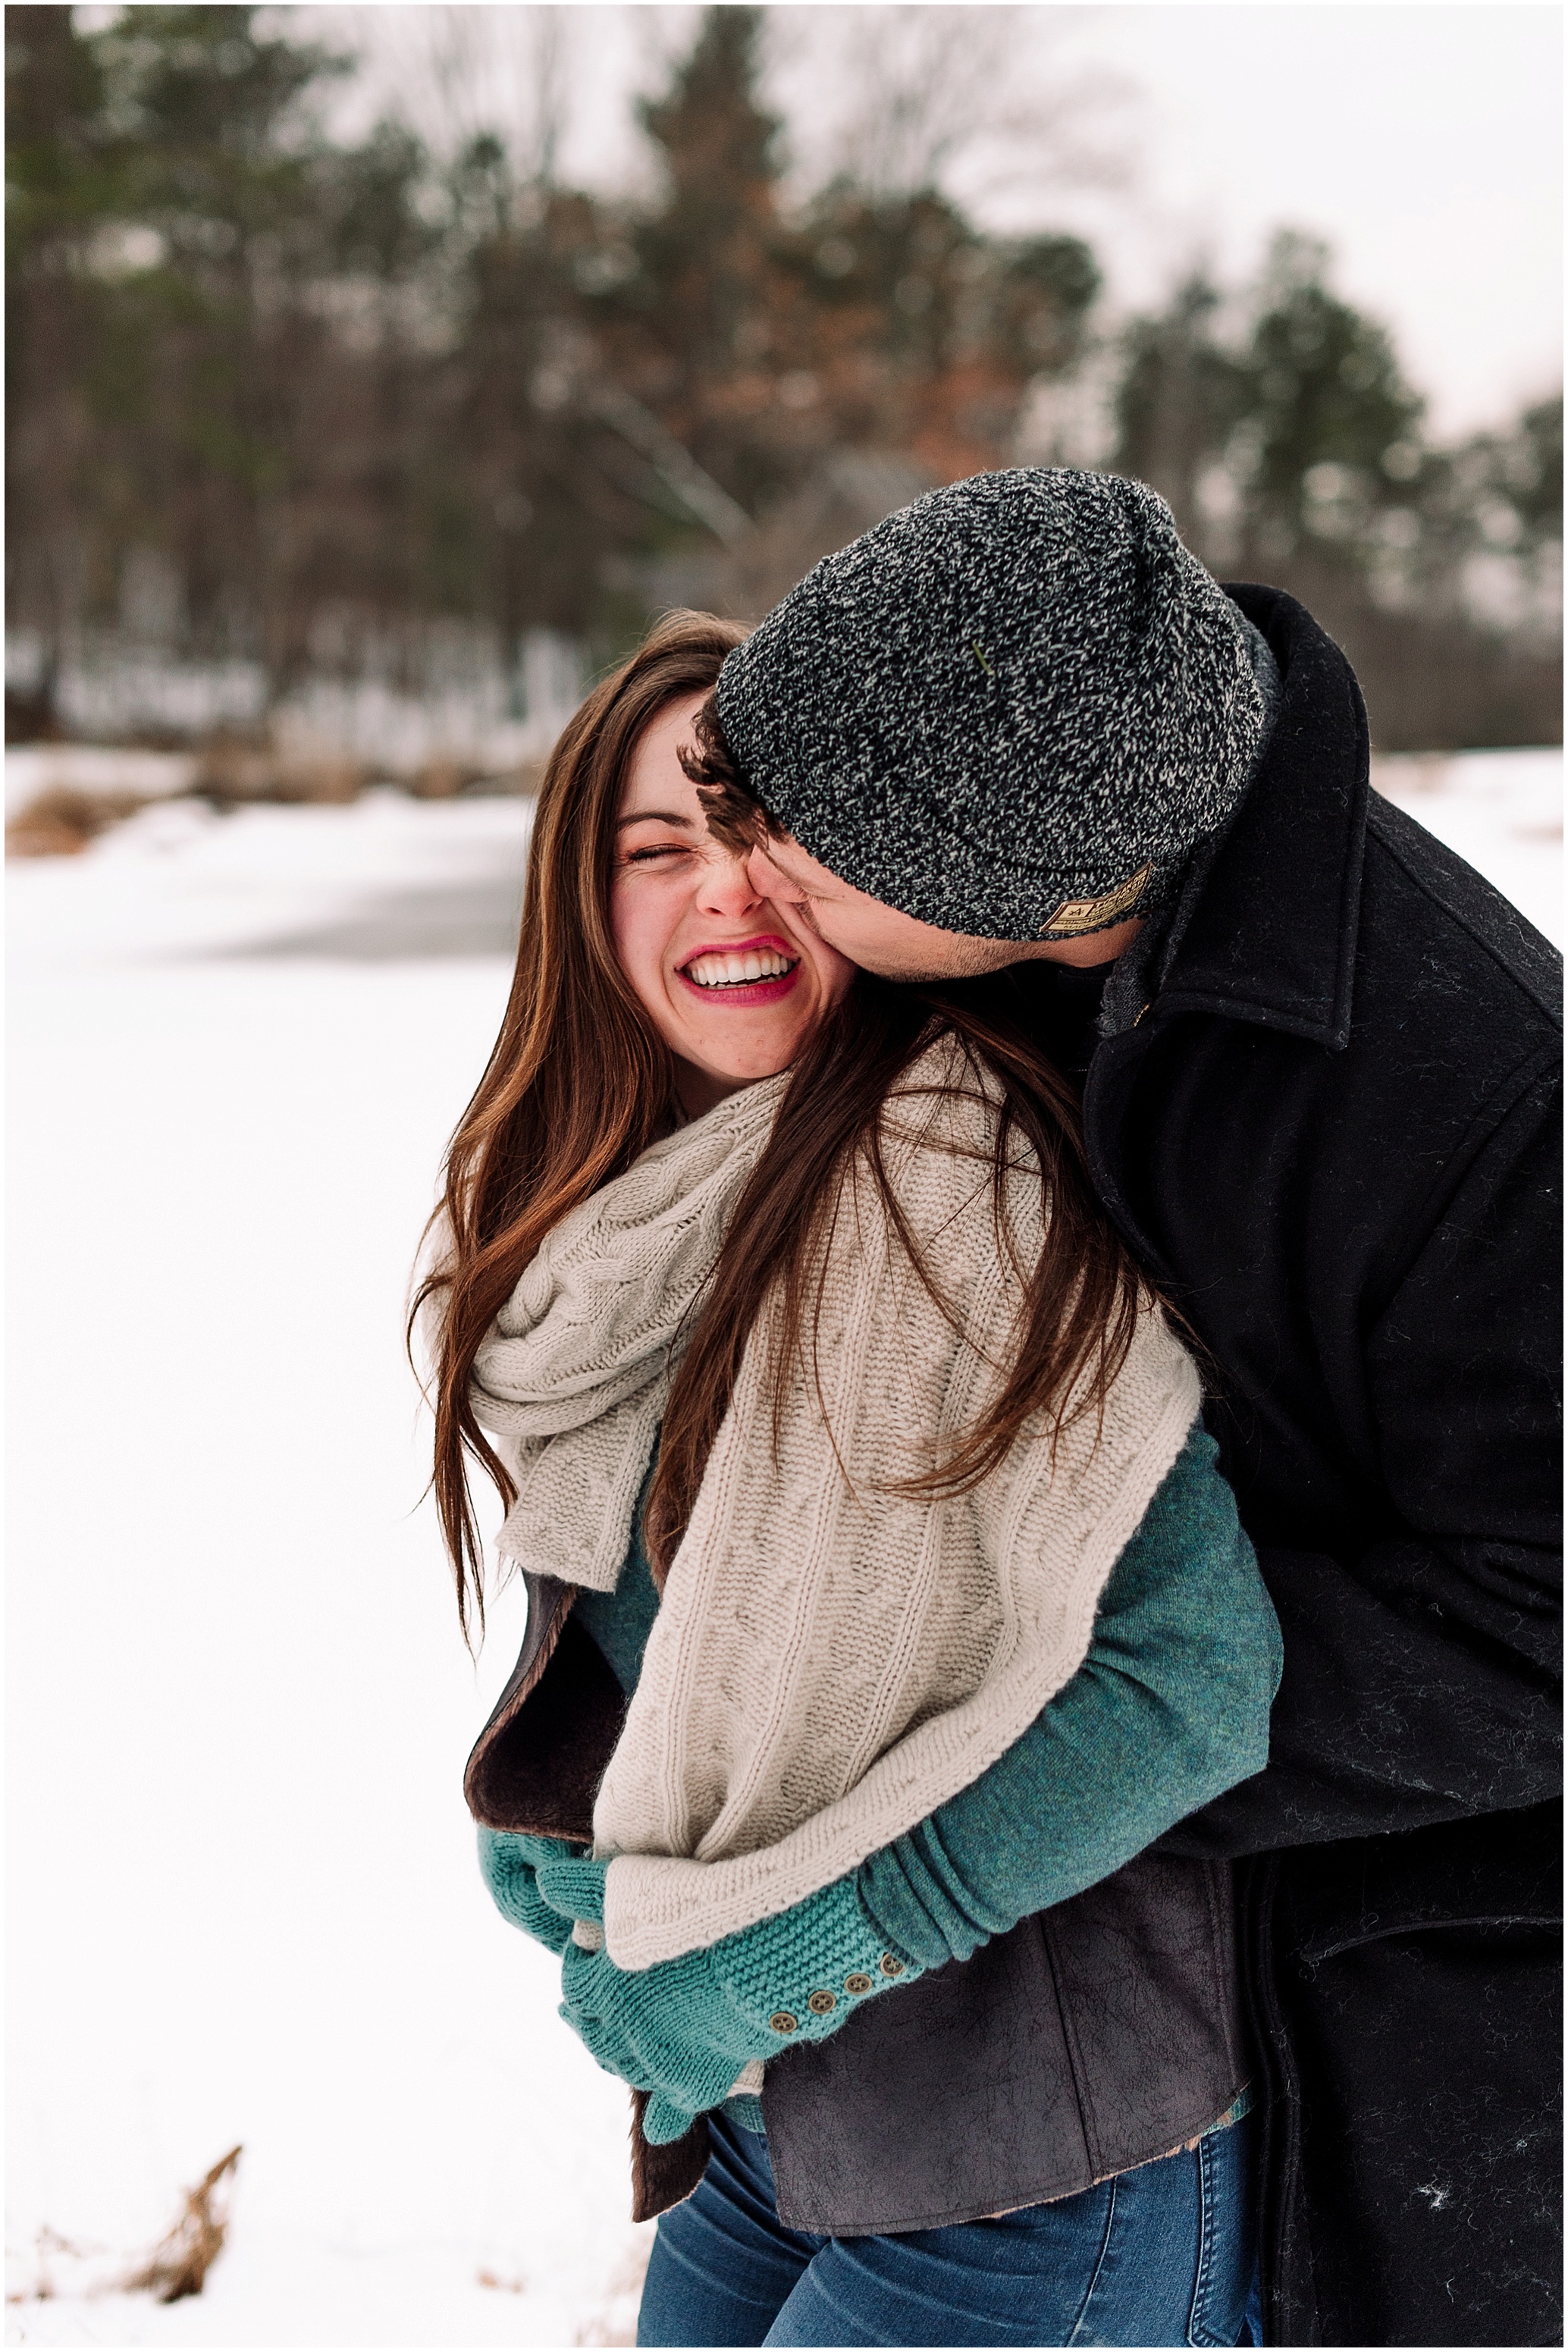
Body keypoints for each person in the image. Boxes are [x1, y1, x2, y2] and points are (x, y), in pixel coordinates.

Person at [676, 469, 1563, 2349]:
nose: (751, 877)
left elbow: (1548, 1615)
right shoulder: (1037, 966)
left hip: (1351, 2014)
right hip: (988, 1990)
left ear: (999, 865)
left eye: (803, 850)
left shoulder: (1468, 1089)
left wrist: (1074, 1707)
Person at [418, 608, 1284, 2348]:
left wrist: (784, 1954)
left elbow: (1193, 1682)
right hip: (771, 2122)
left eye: (762, 835)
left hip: (1033, 2163)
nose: (723, 893)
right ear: (580, 909)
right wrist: (574, 1832)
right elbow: (712, 1639)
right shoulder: (619, 1224)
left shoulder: (956, 1184)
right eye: (655, 849)